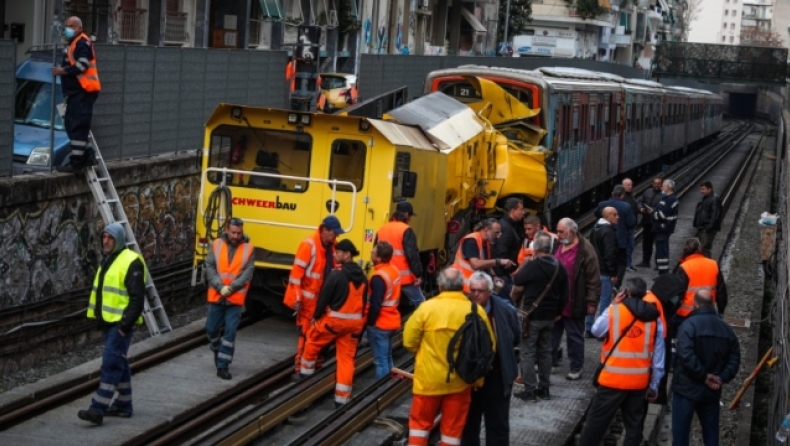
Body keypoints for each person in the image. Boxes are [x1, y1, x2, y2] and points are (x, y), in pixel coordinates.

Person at [404, 267, 495, 446]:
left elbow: (408, 341)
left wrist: (425, 353)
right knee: (452, 434)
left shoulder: (426, 308)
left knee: (419, 428)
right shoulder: (476, 311)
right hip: (460, 383)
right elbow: (488, 347)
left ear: (440, 286)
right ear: (463, 286)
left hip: (428, 382)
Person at [578, 277, 663, 446]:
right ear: (645, 294)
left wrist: (612, 305)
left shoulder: (615, 311)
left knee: (595, 424)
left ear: (626, 293)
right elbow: (659, 357)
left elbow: (596, 331)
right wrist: (654, 385)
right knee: (633, 427)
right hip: (638, 383)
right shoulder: (655, 319)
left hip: (612, 380)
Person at [77, 223, 146, 425]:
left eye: (110, 238)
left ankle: (98, 409)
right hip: (109, 323)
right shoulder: (110, 259)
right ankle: (124, 405)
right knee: (119, 363)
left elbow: (137, 299)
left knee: (110, 364)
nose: (106, 241)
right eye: (104, 237)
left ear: (119, 240)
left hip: (120, 325)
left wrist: (125, 326)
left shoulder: (131, 261)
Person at [300, 239, 368, 407]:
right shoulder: (363, 277)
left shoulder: (337, 275)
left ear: (347, 254)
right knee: (346, 361)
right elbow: (364, 303)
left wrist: (316, 316)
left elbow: (324, 299)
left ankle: (304, 383)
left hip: (334, 323)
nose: (335, 254)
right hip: (354, 326)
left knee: (311, 343)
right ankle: (342, 399)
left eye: (338, 252)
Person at [672, 290, 740, 446]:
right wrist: (721, 377)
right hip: (712, 391)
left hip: (686, 389)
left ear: (695, 304)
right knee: (711, 436)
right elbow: (735, 359)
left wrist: (703, 376)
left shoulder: (688, 325)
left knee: (680, 436)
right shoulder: (726, 329)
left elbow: (685, 354)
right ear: (713, 304)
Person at [461, 272, 521, 446]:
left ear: (490, 292)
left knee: (498, 426)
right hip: (470, 379)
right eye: (473, 290)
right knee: (468, 426)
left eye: (480, 291)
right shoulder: (462, 309)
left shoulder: (505, 310)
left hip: (496, 377)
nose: (476, 294)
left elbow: (515, 337)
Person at [510, 232, 568, 402]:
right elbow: (565, 294)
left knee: (527, 353)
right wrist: (558, 312)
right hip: (550, 317)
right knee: (545, 353)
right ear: (550, 248)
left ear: (535, 248)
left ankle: (530, 389)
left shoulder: (532, 265)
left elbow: (517, 281)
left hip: (531, 317)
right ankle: (544, 388)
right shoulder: (559, 266)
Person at [283, 215, 344, 377]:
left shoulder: (332, 246)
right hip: (308, 302)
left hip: (324, 301)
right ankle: (300, 369)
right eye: (334, 233)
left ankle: (315, 365)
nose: (336, 236)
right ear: (324, 230)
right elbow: (296, 276)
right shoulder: (308, 245)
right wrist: (296, 298)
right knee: (306, 335)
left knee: (321, 335)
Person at [552, 218, 601, 380]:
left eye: (561, 232)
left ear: (572, 232)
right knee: (552, 334)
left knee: (574, 336)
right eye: (557, 231)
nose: (558, 235)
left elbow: (593, 278)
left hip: (574, 301)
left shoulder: (585, 250)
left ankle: (576, 366)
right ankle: (550, 361)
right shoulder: (556, 245)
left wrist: (592, 302)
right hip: (555, 301)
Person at [204, 218, 253, 380]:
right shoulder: (216, 245)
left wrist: (231, 288)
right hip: (217, 296)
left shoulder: (248, 249)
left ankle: (223, 366)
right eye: (233, 232)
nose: (236, 236)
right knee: (211, 329)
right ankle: (217, 350)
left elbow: (247, 274)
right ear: (227, 230)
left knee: (230, 333)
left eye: (239, 233)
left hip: (235, 299)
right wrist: (220, 286)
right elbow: (209, 267)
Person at [52, 16, 100, 173]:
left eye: (71, 26)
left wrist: (63, 71)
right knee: (71, 125)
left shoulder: (81, 42)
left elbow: (82, 65)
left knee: (78, 126)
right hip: (77, 93)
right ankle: (88, 155)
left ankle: (76, 163)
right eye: (66, 25)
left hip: (83, 91)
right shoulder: (74, 43)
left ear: (79, 28)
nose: (68, 28)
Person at [673, 238, 728, 334]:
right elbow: (721, 292)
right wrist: (721, 311)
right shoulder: (713, 264)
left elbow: (677, 293)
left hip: (685, 314)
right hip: (708, 312)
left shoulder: (684, 267)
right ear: (699, 248)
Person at [375, 201, 425, 307]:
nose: (410, 219)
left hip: (386, 277)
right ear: (406, 215)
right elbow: (412, 255)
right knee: (421, 303)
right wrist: (418, 275)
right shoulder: (406, 230)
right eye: (410, 216)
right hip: (404, 278)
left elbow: (375, 253)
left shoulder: (382, 229)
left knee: (386, 305)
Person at [365, 241, 402, 379]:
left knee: (380, 362)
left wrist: (369, 323)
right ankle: (390, 386)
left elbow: (375, 304)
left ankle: (382, 389)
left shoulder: (378, 277)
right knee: (387, 356)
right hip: (392, 320)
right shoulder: (393, 270)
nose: (371, 254)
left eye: (373, 253)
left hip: (380, 324)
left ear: (379, 258)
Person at [452, 218, 515, 293]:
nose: (498, 237)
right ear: (486, 230)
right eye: (496, 233)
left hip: (475, 287)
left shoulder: (486, 243)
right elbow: (475, 264)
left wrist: (494, 277)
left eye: (499, 234)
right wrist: (499, 261)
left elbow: (486, 264)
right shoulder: (471, 241)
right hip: (464, 288)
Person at [595, 185, 636, 286]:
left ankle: (604, 282)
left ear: (612, 193)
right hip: (620, 240)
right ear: (622, 195)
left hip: (604, 238)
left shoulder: (602, 205)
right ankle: (616, 284)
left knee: (605, 259)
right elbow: (631, 222)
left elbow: (596, 215)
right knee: (621, 262)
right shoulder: (626, 206)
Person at [587, 207, 619, 337]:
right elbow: (609, 254)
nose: (618, 217)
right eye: (615, 215)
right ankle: (601, 330)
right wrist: (613, 273)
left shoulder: (595, 229)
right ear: (607, 217)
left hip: (594, 270)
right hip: (605, 272)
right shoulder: (608, 232)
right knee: (605, 301)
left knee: (592, 298)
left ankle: (588, 328)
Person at [494, 198, 526, 299]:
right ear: (513, 211)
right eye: (521, 209)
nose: (523, 212)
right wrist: (508, 266)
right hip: (502, 275)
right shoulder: (506, 229)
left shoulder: (507, 225)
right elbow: (501, 251)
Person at [652, 179, 679, 275]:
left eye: (663, 186)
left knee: (662, 252)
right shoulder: (667, 198)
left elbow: (662, 214)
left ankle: (663, 273)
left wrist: (654, 214)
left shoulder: (671, 199)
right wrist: (655, 212)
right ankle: (662, 272)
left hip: (663, 228)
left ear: (668, 188)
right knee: (661, 251)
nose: (661, 187)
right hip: (662, 229)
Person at [637, 177, 664, 269]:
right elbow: (640, 201)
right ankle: (645, 261)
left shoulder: (664, 194)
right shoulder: (647, 192)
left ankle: (658, 263)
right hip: (647, 222)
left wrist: (653, 211)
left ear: (661, 184)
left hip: (658, 223)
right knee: (646, 242)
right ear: (652, 183)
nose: (656, 185)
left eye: (658, 183)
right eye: (655, 183)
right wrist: (641, 208)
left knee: (659, 243)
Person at [692, 181, 724, 258]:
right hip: (703, 228)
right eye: (701, 189)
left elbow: (715, 215)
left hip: (706, 229)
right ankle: (705, 266)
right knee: (702, 249)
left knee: (704, 249)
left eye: (703, 189)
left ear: (710, 189)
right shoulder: (707, 198)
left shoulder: (714, 199)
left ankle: (708, 267)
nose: (701, 191)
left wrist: (708, 228)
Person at [622, 178, 639, 271]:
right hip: (625, 227)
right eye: (628, 185)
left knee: (630, 246)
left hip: (631, 227)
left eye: (631, 185)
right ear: (623, 186)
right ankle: (626, 264)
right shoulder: (623, 198)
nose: (630, 187)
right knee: (627, 246)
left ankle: (628, 263)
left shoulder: (631, 196)